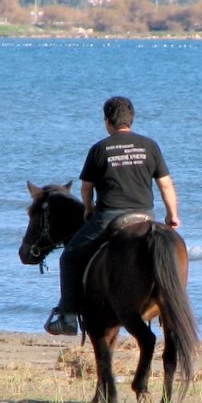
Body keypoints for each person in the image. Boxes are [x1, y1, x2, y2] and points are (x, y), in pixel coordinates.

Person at [44, 96, 181, 335]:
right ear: (131, 120)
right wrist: (172, 215)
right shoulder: (150, 146)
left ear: (108, 122)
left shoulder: (99, 149)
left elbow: (86, 187)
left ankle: (67, 316)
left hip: (110, 216)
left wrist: (87, 209)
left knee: (70, 256)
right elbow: (166, 185)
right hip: (144, 216)